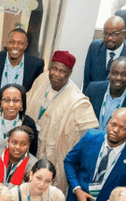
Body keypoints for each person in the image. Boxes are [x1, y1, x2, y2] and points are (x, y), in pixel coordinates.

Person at [28, 51, 98, 192]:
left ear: (70, 73)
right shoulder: (42, 79)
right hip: (31, 149)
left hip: (53, 157)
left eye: (62, 71)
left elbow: (90, 133)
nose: (56, 74)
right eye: (53, 68)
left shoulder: (77, 100)